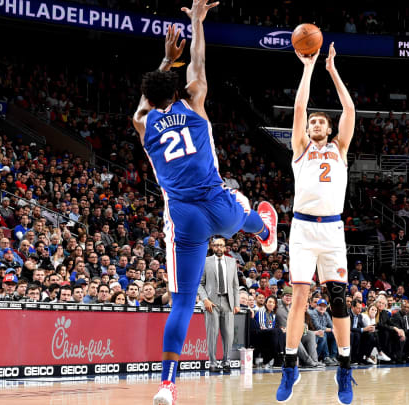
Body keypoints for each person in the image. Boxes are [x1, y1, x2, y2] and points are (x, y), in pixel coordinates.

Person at [132, 9, 279, 403]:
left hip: (184, 217)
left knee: (181, 303)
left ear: (151, 97)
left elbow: (145, 101)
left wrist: (163, 60)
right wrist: (197, 20)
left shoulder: (142, 121)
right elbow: (199, 60)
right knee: (241, 213)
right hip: (219, 205)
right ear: (178, 93)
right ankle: (264, 228)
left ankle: (167, 385)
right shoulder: (195, 102)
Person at [277, 39, 356, 405]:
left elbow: (350, 107)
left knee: (338, 299)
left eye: (321, 121)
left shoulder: (340, 149)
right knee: (299, 297)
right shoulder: (300, 149)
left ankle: (344, 366)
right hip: (303, 229)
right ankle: (289, 366)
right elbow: (298, 105)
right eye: (312, 122)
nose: (315, 124)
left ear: (330, 128)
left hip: (332, 230)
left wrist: (332, 70)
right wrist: (307, 68)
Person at [198, 237, 240, 373]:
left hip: (228, 302)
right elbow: (199, 283)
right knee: (212, 334)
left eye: (221, 245)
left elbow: (235, 285)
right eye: (216, 245)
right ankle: (212, 362)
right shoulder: (205, 261)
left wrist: (237, 303)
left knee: (228, 335)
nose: (219, 248)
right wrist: (205, 299)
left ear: (225, 247)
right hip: (212, 302)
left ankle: (226, 361)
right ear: (212, 247)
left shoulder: (232, 261)